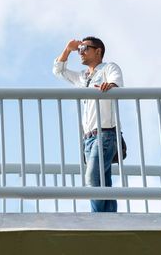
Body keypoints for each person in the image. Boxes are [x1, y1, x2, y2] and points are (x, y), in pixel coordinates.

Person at [53, 36, 124, 212]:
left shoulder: (109, 68)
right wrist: (68, 49)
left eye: (85, 48)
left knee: (92, 177)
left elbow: (117, 84)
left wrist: (110, 85)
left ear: (98, 51)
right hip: (88, 138)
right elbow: (58, 70)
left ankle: (98, 219)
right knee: (103, 181)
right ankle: (110, 220)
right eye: (80, 49)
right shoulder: (83, 77)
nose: (81, 52)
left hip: (105, 133)